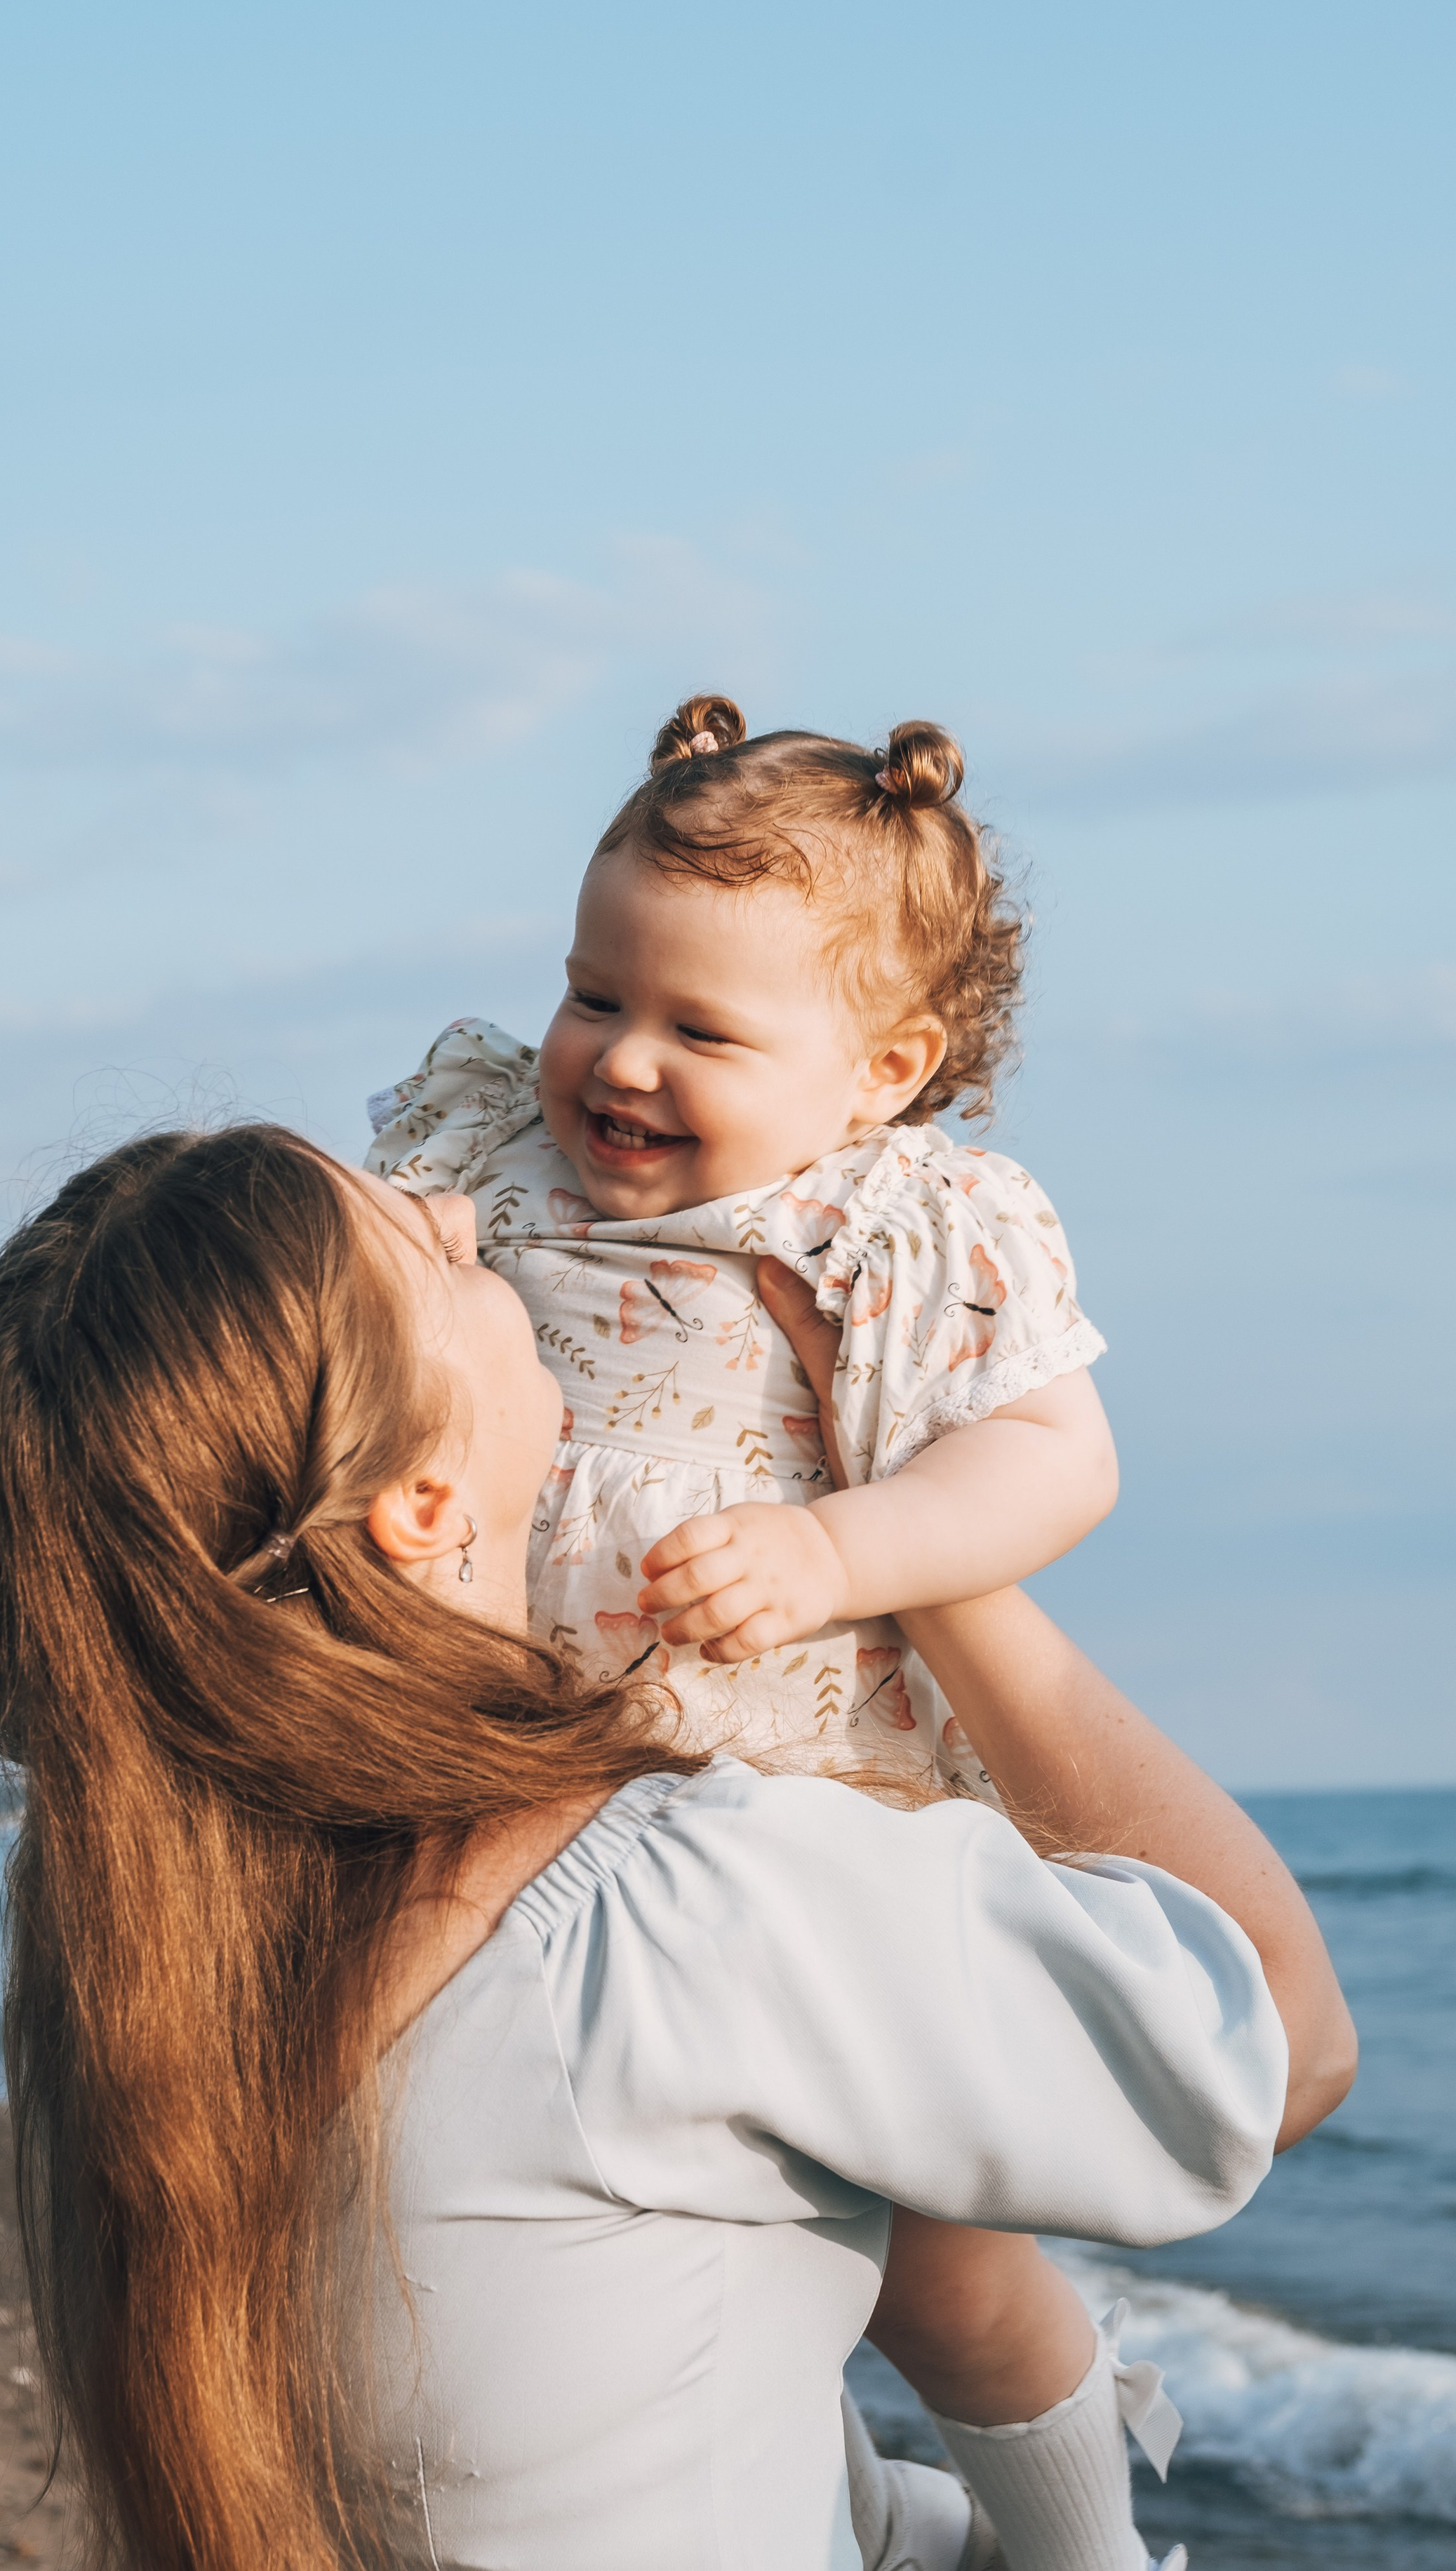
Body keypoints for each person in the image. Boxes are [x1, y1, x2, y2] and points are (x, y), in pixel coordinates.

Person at [0, 1125, 1354, 2571]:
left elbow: (638, 2438)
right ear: (422, 1505)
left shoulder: (135, 1995)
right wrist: (912, 1535)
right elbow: (1280, 2046)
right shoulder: (651, 1918)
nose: (470, 1213)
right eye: (430, 1256)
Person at [361, 693, 1133, 2559]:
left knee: (944, 2271)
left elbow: (1055, 1462)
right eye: (592, 994)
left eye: (701, 1030)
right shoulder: (492, 1156)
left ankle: (1076, 2543)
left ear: (883, 1069)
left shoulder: (901, 1224)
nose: (619, 1061)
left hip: (810, 1816)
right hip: (538, 1812)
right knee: (674, 2249)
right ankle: (847, 2520)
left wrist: (839, 1549)